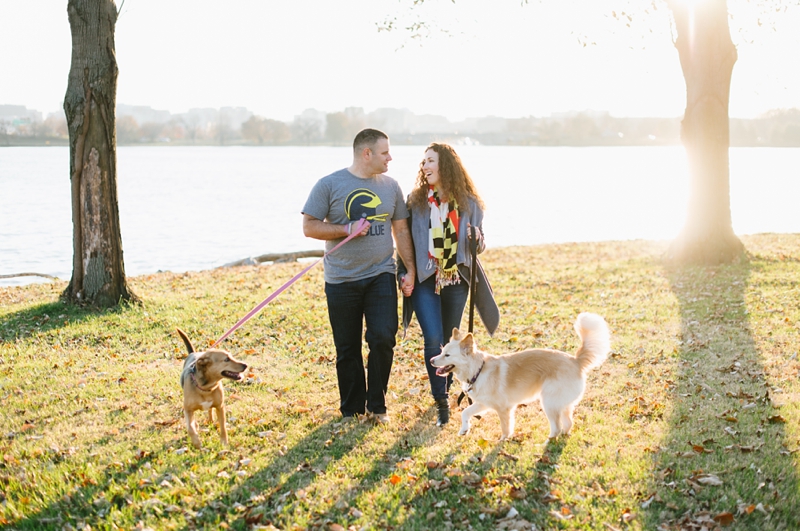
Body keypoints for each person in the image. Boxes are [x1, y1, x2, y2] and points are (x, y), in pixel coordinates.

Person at [302, 128, 415, 423]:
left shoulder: (391, 186)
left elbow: (400, 230)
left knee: (382, 337)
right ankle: (351, 409)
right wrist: (346, 229)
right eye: (384, 152)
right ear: (367, 154)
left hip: (380, 273)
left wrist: (410, 269)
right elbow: (309, 227)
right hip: (341, 279)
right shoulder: (329, 184)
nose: (390, 157)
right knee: (347, 347)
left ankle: (377, 406)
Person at [399, 142, 499, 427]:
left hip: (457, 278)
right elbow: (404, 242)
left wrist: (476, 238)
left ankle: (458, 389)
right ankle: (441, 401)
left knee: (449, 340)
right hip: (425, 277)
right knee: (433, 338)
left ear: (446, 166)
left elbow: (479, 245)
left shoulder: (471, 204)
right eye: (424, 162)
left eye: (431, 161)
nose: (425, 166)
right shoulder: (415, 202)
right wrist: (403, 273)